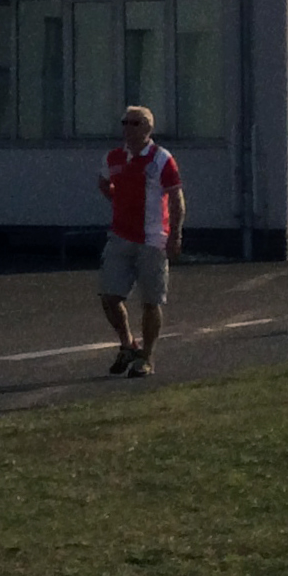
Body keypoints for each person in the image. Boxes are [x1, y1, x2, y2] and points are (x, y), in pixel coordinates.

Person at [96, 102, 183, 376]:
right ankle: (127, 344)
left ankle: (146, 356)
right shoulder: (113, 157)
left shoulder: (161, 159)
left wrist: (175, 235)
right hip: (120, 236)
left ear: (147, 128)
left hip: (153, 240)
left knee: (151, 300)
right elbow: (103, 183)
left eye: (134, 123)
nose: (127, 129)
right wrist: (118, 200)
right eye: (124, 123)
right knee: (109, 296)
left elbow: (177, 199)